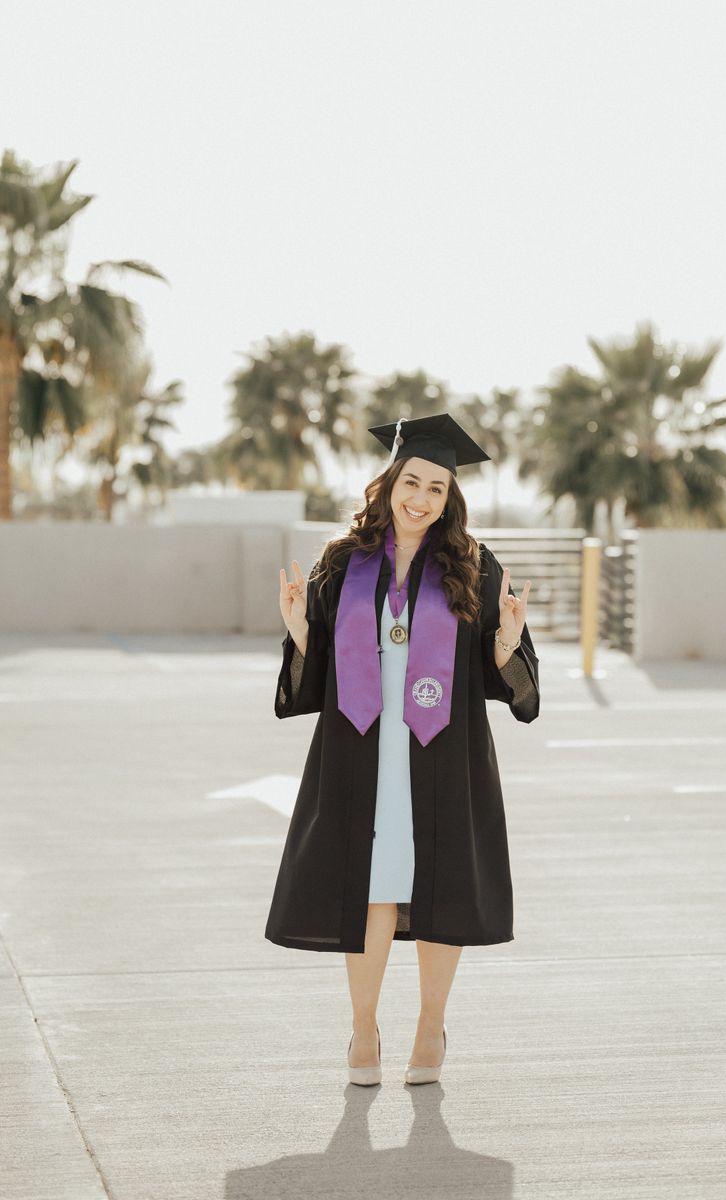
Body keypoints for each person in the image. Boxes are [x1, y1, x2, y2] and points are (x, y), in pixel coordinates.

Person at [266, 412, 540, 1086]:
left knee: (441, 884)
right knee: (370, 888)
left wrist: (505, 645)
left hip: (444, 751)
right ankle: (363, 1032)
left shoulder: (474, 566)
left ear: (451, 499)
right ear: (389, 482)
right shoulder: (344, 561)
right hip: (362, 752)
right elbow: (316, 671)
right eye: (411, 481)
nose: (420, 498)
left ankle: (430, 1027)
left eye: (436, 489)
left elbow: (508, 677)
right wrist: (301, 631)